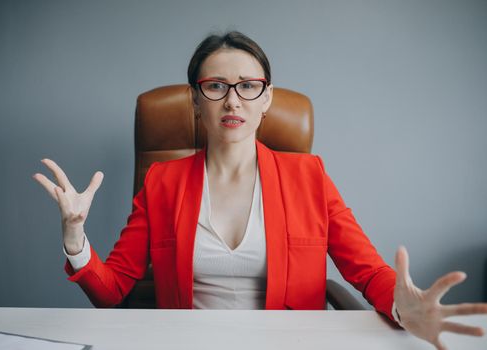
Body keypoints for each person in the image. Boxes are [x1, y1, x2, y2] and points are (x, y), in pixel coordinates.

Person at [33, 31, 487, 349]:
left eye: (248, 86)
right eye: (215, 86)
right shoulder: (162, 182)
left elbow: (368, 273)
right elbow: (110, 291)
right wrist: (76, 238)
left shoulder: (309, 175)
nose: (233, 100)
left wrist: (404, 306)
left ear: (266, 98)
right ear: (195, 98)